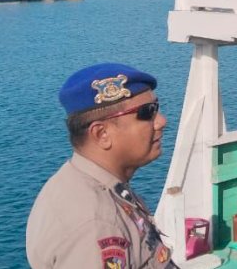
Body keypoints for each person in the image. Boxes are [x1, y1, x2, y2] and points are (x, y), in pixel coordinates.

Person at [27, 63, 173, 268]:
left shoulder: (80, 182)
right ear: (101, 134)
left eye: (156, 108)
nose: (161, 121)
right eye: (147, 113)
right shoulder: (95, 224)